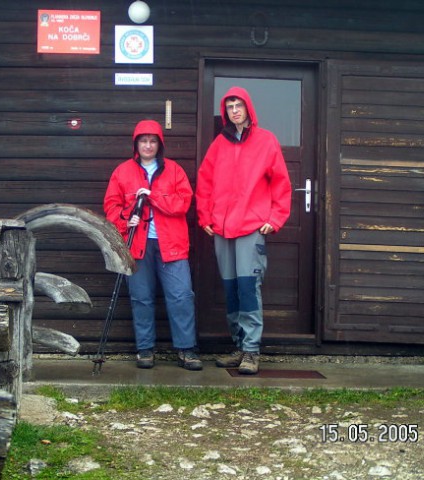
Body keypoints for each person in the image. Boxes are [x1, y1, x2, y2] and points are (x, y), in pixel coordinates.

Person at [196, 86, 292, 374]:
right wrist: (205, 218)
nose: (234, 110)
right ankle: (239, 346)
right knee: (231, 289)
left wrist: (275, 219)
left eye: (238, 105)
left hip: (250, 227)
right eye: (229, 106)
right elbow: (205, 182)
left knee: (249, 288)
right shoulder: (219, 144)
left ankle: (252, 351)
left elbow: (281, 184)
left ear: (248, 108)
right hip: (222, 229)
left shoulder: (266, 141)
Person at [104, 119, 202, 371]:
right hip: (137, 245)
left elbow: (183, 203)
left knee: (181, 296)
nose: (148, 145)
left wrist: (153, 196)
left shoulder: (175, 170)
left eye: (153, 141)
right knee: (141, 298)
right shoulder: (122, 172)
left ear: (160, 144)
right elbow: (111, 208)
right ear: (136, 144)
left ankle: (186, 350)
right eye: (143, 140)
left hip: (172, 244)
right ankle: (145, 349)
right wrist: (128, 217)